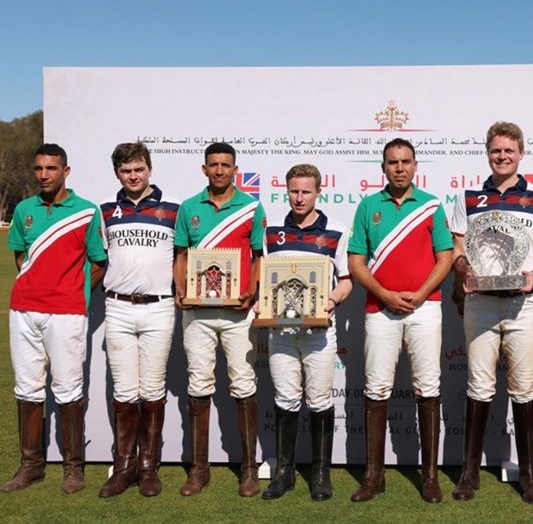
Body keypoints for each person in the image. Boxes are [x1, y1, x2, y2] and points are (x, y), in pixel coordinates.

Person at [450, 121, 533, 504]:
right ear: (487, 153)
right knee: (478, 386)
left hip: (523, 305)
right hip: (479, 304)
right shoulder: (467, 199)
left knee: (523, 388)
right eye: (496, 151)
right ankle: (469, 473)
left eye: (509, 151)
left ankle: (529, 476)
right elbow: (457, 251)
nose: (502, 157)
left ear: (520, 154)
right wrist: (463, 270)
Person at [347, 138, 453, 503]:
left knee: (428, 387)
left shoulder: (431, 206)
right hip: (380, 309)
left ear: (415, 165)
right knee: (376, 390)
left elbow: (446, 257)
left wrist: (421, 293)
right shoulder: (367, 206)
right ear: (383, 167)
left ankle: (430, 478)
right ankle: (374, 477)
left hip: (425, 308)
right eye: (393, 162)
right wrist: (385, 293)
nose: (400, 167)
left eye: (406, 161)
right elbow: (355, 263)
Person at [3, 144, 107, 494]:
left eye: (51, 168)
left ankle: (72, 469)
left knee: (68, 389)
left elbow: (98, 262)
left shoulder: (87, 211)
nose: (44, 175)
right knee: (28, 388)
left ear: (66, 171)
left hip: (66, 313)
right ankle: (31, 466)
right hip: (23, 310)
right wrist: (36, 284)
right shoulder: (23, 209)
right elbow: (20, 254)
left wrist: (76, 294)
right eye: (38, 169)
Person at [173, 142, 266, 497]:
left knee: (243, 384)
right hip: (198, 312)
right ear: (204, 169)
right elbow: (180, 255)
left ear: (235, 169)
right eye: (213, 165)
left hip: (237, 312)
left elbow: (258, 257)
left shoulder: (251, 207)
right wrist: (180, 288)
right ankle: (199, 470)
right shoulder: (189, 208)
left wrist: (251, 291)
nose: (220, 171)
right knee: (198, 385)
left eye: (226, 165)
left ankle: (248, 469)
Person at [260, 164, 352, 502]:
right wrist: (260, 303)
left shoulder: (336, 231)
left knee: (320, 401)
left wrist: (330, 301)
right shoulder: (271, 232)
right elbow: (265, 280)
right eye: (294, 191)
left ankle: (320, 473)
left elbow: (346, 280)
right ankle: (284, 473)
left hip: (318, 331)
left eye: (306, 192)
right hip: (281, 330)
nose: (299, 198)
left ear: (318, 191)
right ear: (286, 191)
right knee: (285, 398)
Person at [97, 142, 180, 497]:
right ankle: (123, 467)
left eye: (139, 169)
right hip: (117, 306)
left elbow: (184, 259)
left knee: (152, 389)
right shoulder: (104, 212)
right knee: (125, 391)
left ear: (149, 169)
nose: (133, 176)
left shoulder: (174, 212)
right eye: (126, 171)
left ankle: (148, 468)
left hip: (160, 306)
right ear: (118, 173)